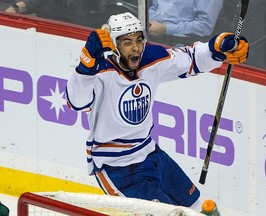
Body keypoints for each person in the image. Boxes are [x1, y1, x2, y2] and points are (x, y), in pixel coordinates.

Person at [65, 12, 248, 209]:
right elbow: (76, 102)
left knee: (201, 207)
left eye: (139, 39)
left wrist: (219, 47)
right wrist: (85, 65)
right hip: (117, 169)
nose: (136, 47)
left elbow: (191, 58)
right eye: (127, 42)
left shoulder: (150, 60)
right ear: (115, 47)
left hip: (151, 154)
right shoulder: (99, 73)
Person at [148, 0, 224, 46]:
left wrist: (166, 29)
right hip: (149, 38)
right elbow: (155, 7)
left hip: (179, 47)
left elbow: (204, 26)